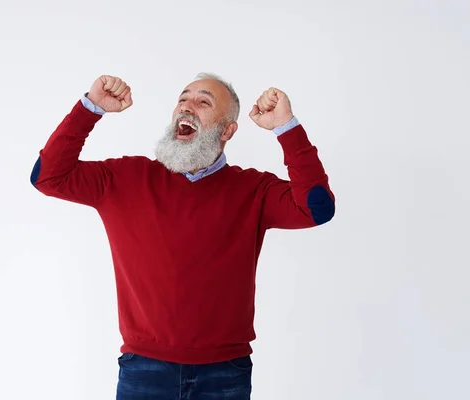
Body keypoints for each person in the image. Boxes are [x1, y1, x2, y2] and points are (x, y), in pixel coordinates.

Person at [30, 73, 336, 399]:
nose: (187, 107)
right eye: (182, 99)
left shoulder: (253, 190)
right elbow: (47, 177)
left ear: (228, 130)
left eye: (203, 102)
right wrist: (90, 108)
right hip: (144, 370)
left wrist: (285, 128)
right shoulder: (124, 179)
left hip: (224, 372)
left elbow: (317, 208)